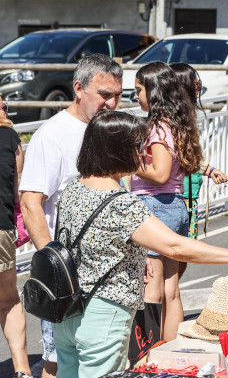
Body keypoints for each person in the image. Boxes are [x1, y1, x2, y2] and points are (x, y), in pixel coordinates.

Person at [54, 110, 228, 378]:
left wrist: (134, 256)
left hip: (67, 312)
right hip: (103, 316)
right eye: (139, 146)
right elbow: (176, 247)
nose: (144, 154)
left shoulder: (74, 188)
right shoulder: (121, 204)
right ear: (117, 150)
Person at [20, 53, 123, 378]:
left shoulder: (106, 130)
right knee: (57, 361)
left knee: (98, 360)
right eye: (104, 95)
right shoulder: (52, 136)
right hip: (69, 278)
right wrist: (55, 267)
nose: (112, 103)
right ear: (78, 88)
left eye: (118, 95)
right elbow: (30, 203)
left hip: (107, 275)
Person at [132, 62, 203, 342]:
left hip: (156, 206)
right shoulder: (177, 122)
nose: (136, 97)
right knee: (171, 288)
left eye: (138, 90)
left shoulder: (158, 128)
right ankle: (169, 350)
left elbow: (159, 174)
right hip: (174, 206)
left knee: (152, 288)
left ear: (153, 90)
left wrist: (129, 163)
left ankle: (149, 353)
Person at [171, 63, 228, 241]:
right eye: (194, 83)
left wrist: (208, 170)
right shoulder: (173, 120)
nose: (198, 87)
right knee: (177, 254)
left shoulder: (187, 116)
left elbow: (190, 154)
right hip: (176, 196)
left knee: (182, 256)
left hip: (189, 193)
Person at [0, 96, 31, 378]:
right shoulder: (11, 138)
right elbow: (17, 192)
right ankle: (22, 369)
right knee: (8, 300)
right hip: (1, 228)